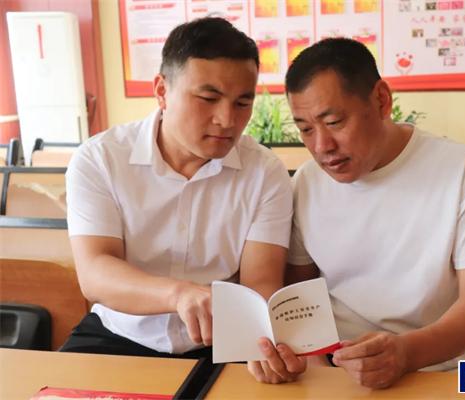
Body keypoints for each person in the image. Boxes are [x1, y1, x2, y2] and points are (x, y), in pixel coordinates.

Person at [252, 37, 465, 388]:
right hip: (333, 368)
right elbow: (300, 287)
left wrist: (405, 354)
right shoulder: (307, 183)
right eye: (306, 129)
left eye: (335, 122)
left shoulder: (464, 170)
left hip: (433, 368)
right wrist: (316, 364)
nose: (322, 146)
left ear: (381, 100)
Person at [60, 17, 293, 362]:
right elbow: (95, 271)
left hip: (221, 339)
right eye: (208, 98)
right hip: (118, 333)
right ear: (161, 91)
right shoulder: (100, 159)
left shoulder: (265, 172)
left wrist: (260, 349)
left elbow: (261, 283)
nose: (227, 120)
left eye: (242, 103)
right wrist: (178, 294)